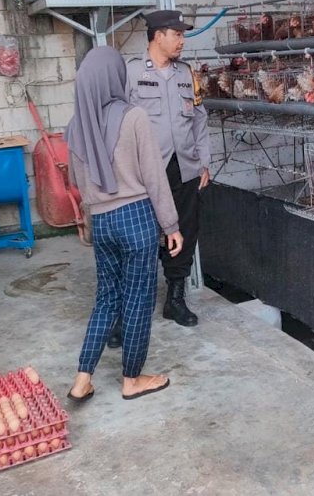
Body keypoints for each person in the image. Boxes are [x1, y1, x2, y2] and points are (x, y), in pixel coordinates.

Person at [66, 46, 183, 402]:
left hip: (101, 221)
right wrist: (171, 224)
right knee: (137, 299)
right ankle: (131, 379)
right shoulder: (134, 116)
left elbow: (77, 181)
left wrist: (87, 221)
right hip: (135, 218)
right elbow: (154, 177)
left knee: (106, 298)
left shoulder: (76, 125)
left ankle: (82, 378)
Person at [108, 8, 209, 339]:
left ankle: (176, 299)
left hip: (185, 167)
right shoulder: (131, 73)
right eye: (176, 34)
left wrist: (203, 162)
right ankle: (129, 313)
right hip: (144, 172)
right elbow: (114, 121)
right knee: (139, 240)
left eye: (181, 34)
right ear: (157, 36)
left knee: (184, 232)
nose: (182, 40)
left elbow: (199, 118)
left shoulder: (186, 73)